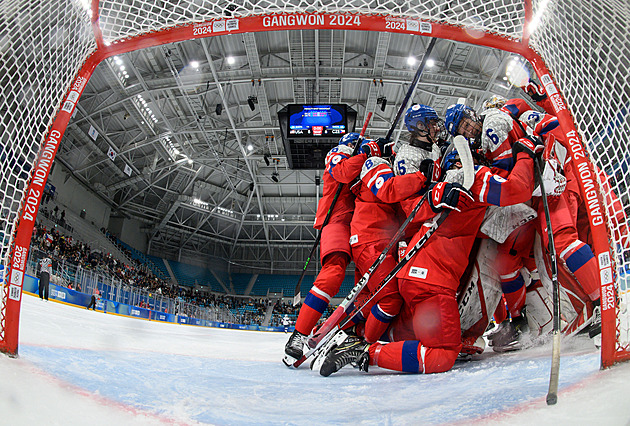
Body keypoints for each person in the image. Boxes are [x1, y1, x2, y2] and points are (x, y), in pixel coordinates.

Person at [318, 132, 538, 377]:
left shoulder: (438, 188)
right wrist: (525, 153)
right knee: (443, 354)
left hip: (409, 275)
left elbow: (411, 216)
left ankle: (361, 338)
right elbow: (517, 189)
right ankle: (365, 352)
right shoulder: (473, 177)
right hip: (434, 280)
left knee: (410, 332)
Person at [445, 102, 602, 339]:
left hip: (553, 179)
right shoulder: (506, 113)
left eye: (467, 124)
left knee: (561, 242)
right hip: (543, 186)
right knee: (516, 263)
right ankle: (537, 317)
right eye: (463, 130)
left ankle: (605, 301)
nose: (469, 131)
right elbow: (527, 113)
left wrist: (526, 152)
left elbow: (513, 182)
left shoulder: (491, 127)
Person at [283, 132, 367, 366]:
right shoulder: (337, 153)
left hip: (362, 224)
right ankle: (299, 335)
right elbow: (343, 172)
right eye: (356, 146)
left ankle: (353, 333)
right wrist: (365, 154)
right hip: (337, 221)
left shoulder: (363, 159)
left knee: (369, 280)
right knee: (335, 269)